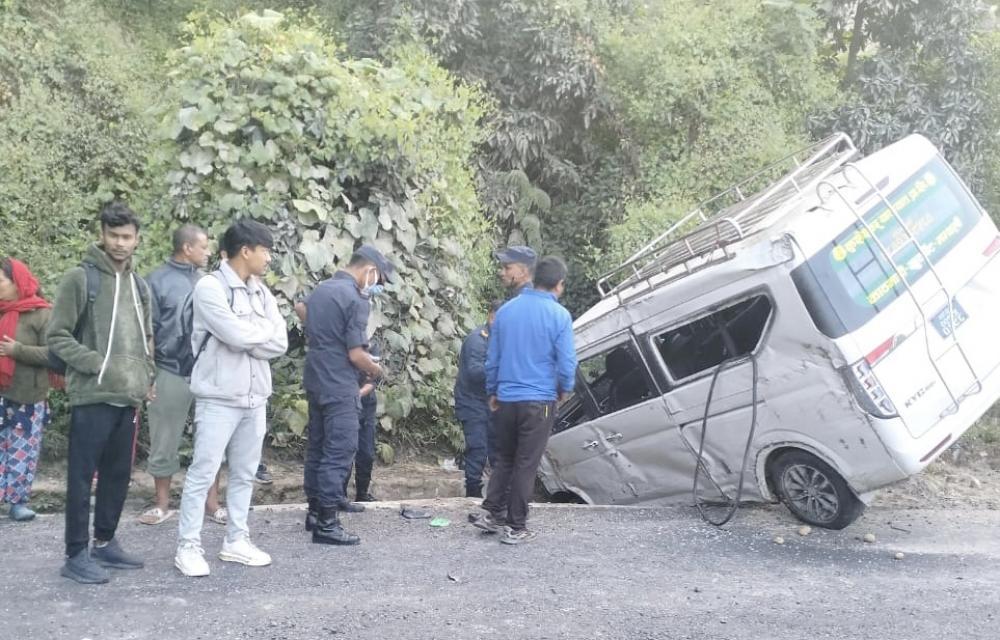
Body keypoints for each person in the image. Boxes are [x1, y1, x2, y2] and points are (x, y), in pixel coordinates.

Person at [174, 219, 287, 577]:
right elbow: (233, 334)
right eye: (265, 250)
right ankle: (188, 547)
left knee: (243, 473)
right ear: (246, 250)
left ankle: (236, 540)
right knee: (203, 472)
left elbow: (280, 341)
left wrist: (252, 337)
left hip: (255, 398)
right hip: (219, 397)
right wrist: (258, 337)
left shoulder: (261, 292)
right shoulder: (210, 288)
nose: (269, 258)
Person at [48, 201, 155, 584]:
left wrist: (148, 377)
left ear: (137, 239)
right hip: (92, 395)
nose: (120, 243)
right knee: (80, 477)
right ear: (102, 235)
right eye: (113, 235)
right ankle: (75, 553)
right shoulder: (81, 278)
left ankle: (105, 542)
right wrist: (97, 363)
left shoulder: (139, 284)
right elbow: (56, 335)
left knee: (117, 475)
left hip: (128, 397)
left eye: (127, 236)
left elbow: (146, 338)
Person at [471, 257, 577, 545]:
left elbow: (493, 358)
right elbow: (567, 364)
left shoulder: (505, 312)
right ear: (559, 284)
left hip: (506, 399)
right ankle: (516, 526)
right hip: (539, 400)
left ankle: (491, 513)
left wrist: (493, 391)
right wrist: (564, 388)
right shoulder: (559, 316)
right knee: (526, 463)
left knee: (504, 458)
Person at [302, 245, 392, 546]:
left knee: (317, 447)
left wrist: (324, 338)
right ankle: (327, 523)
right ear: (369, 271)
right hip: (340, 383)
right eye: (378, 280)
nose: (376, 286)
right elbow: (356, 354)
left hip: (316, 379)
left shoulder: (322, 289)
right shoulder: (356, 298)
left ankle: (314, 512)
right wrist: (376, 371)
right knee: (339, 451)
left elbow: (301, 309)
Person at [140, 225, 227, 526]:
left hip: (207, 371)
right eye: (204, 247)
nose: (208, 252)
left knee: (213, 439)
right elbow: (146, 332)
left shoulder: (209, 282)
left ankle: (212, 504)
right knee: (164, 439)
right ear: (187, 248)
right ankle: (162, 505)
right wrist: (148, 374)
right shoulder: (156, 281)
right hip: (169, 370)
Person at [0, 257, 53, 523]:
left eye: (1, 282)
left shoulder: (41, 313)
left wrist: (16, 351)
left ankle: (18, 502)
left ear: (17, 282)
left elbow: (53, 354)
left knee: (22, 450)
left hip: (27, 396)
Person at [454, 300, 503, 498]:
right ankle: (472, 493)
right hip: (471, 402)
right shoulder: (477, 339)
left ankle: (496, 495)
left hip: (491, 403)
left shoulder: (500, 339)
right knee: (477, 448)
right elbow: (474, 372)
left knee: (496, 449)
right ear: (492, 316)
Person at [349, 340, 381, 503]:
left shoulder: (373, 345)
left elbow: (373, 380)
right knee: (346, 451)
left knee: (366, 453)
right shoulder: (344, 342)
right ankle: (339, 495)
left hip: (365, 405)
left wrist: (357, 395)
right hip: (345, 404)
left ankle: (362, 493)